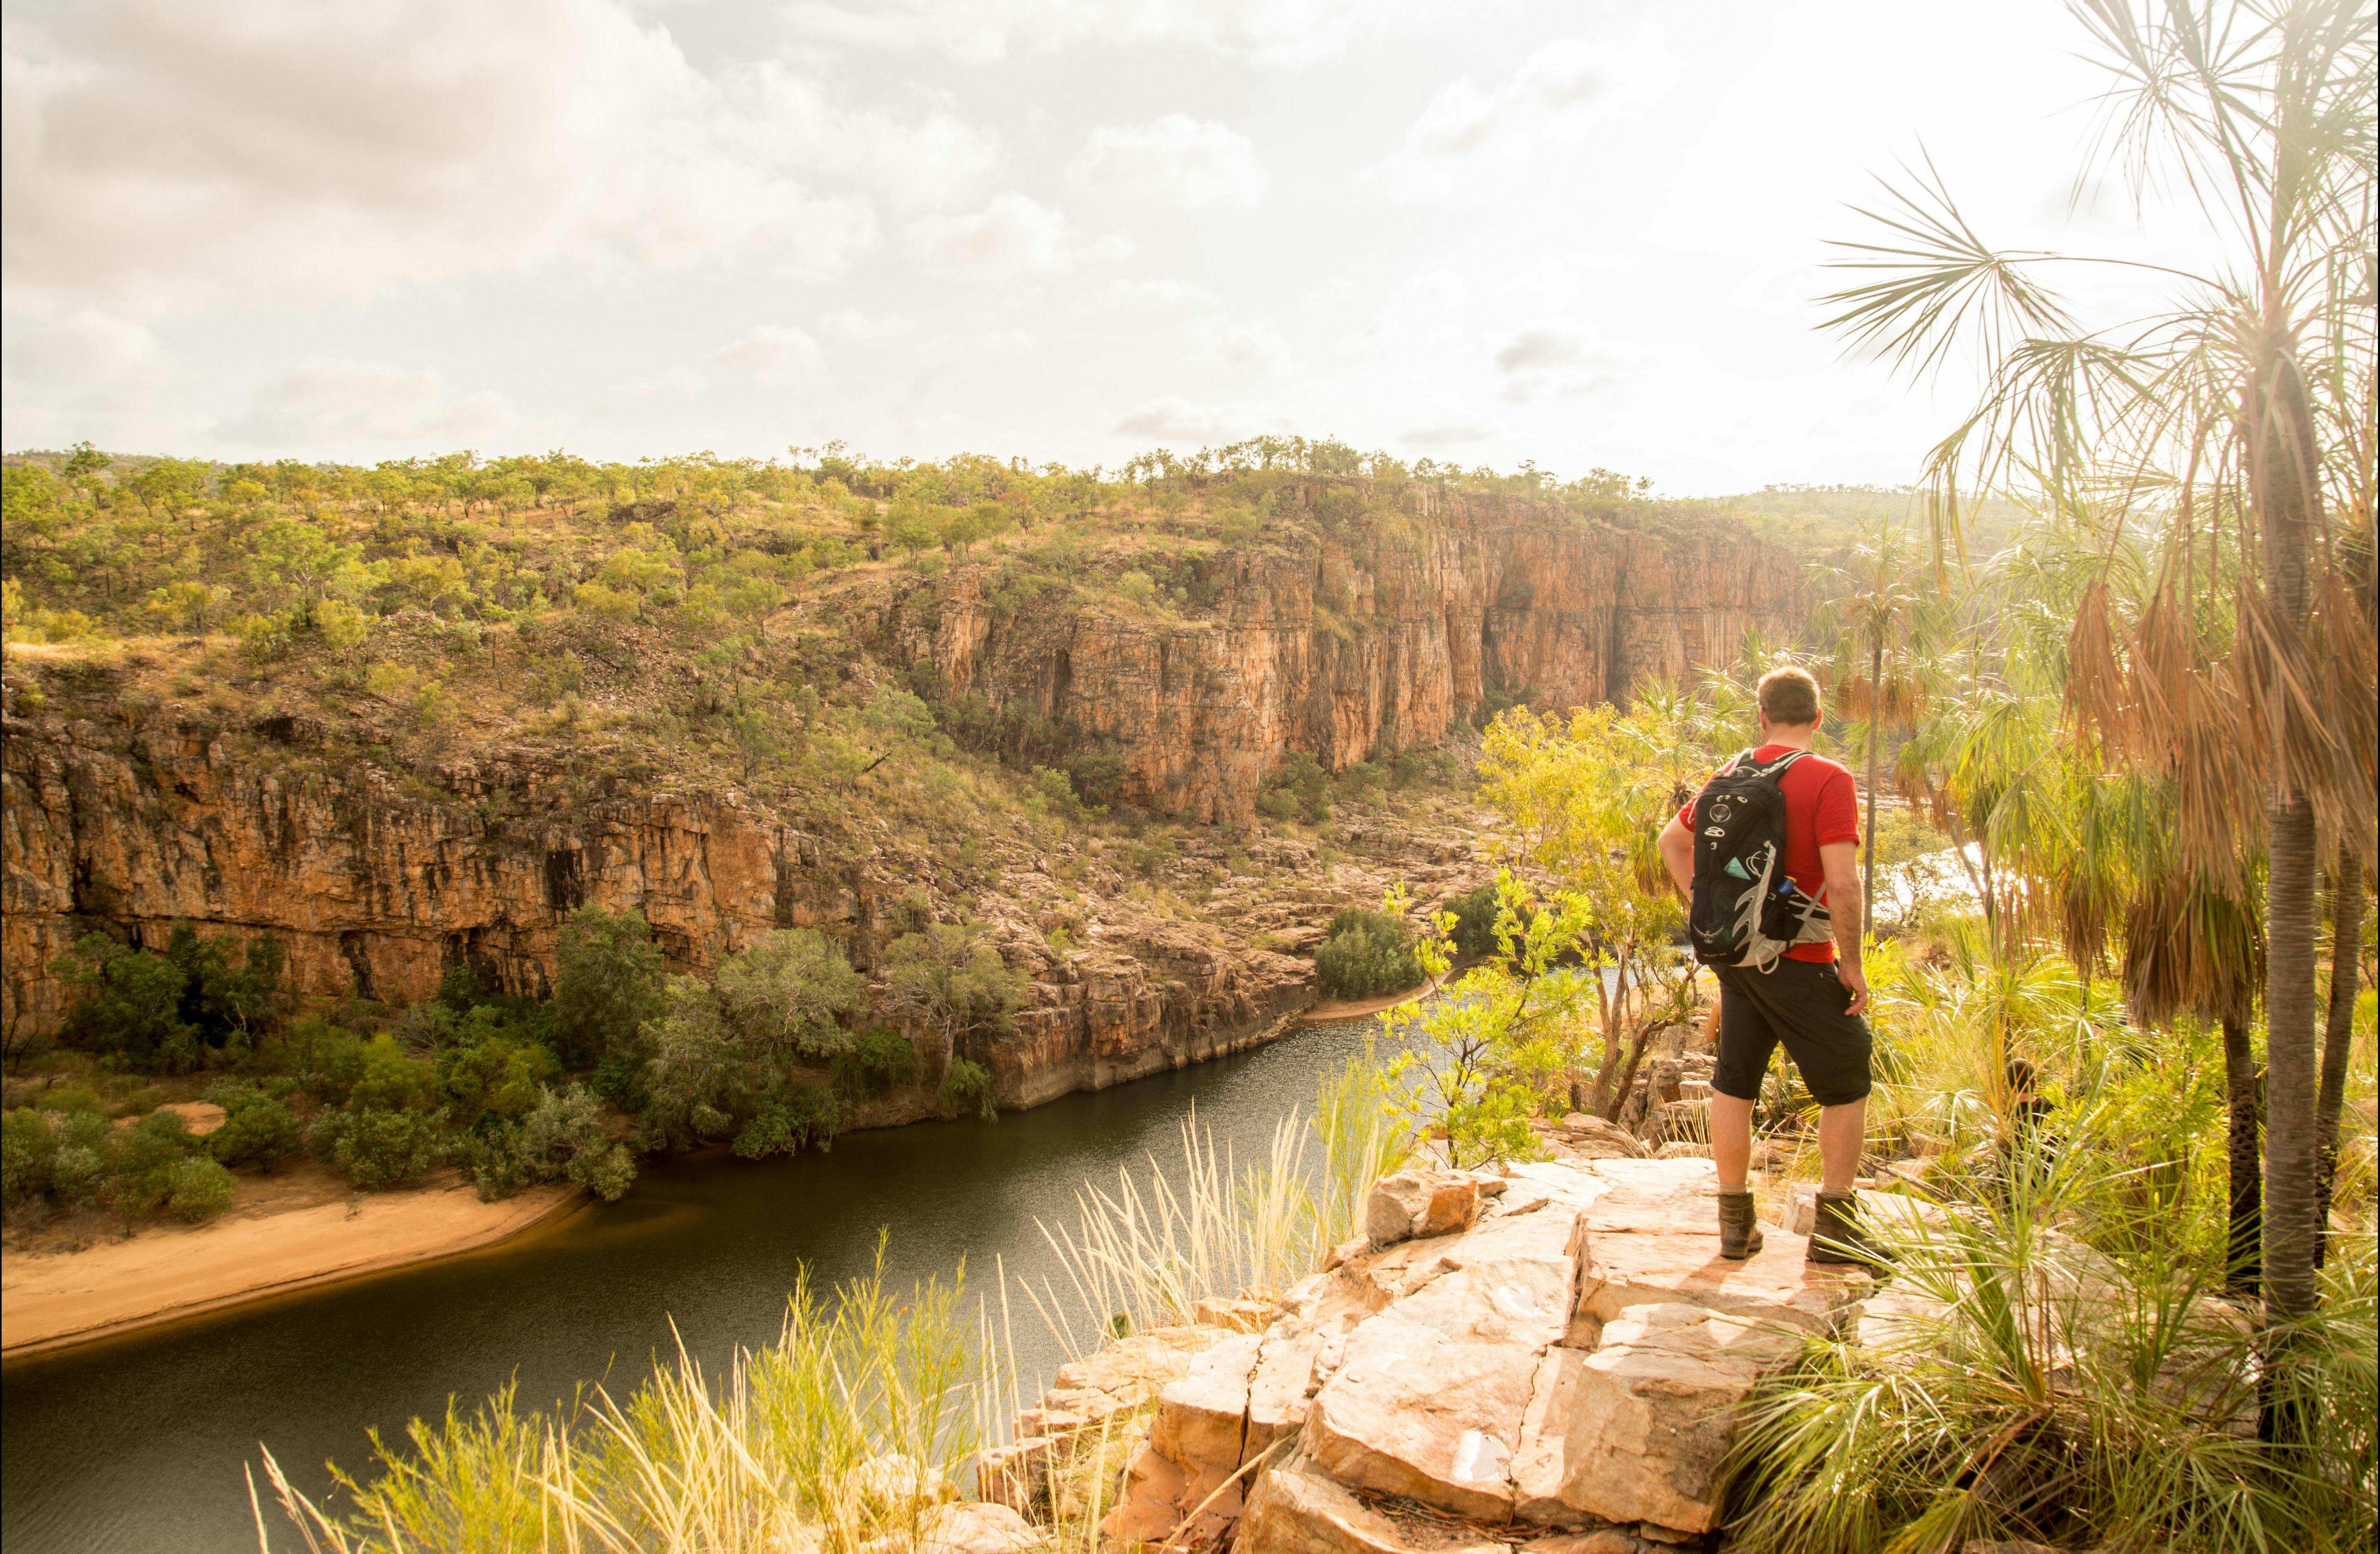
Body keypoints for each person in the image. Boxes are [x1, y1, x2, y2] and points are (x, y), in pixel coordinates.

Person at [1657, 665, 1878, 1264]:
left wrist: (1714, 914)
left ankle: (1734, 1225)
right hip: (1802, 958)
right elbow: (1842, 882)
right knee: (1847, 1080)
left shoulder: (1728, 773)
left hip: (1737, 960)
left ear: (1761, 717)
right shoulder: (1828, 778)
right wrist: (1851, 963)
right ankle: (1835, 1230)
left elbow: (1670, 844)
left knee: (1735, 1082)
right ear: (1817, 718)